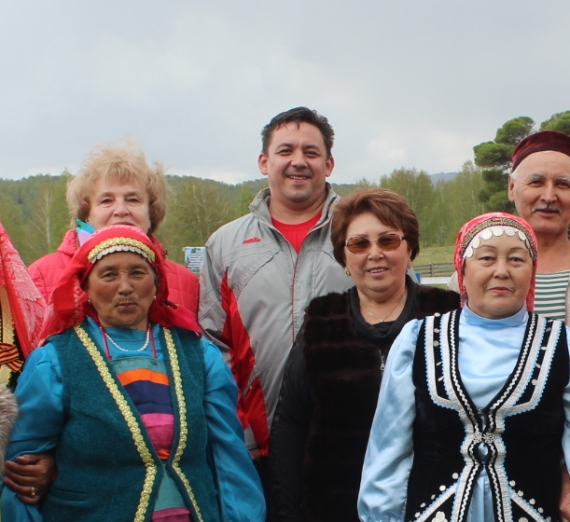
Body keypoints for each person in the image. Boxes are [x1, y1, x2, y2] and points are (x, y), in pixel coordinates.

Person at [1, 225, 265, 521]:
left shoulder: (200, 356)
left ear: (156, 282)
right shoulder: (53, 362)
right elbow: (20, 472)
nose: (124, 287)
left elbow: (228, 455)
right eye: (109, 274)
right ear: (85, 287)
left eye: (138, 273)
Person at [358, 212, 570, 522]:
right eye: (486, 258)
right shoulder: (418, 340)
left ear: (532, 270)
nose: (501, 271)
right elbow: (389, 447)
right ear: (463, 269)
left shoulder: (561, 343)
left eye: (516, 260)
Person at [269, 188, 460, 522]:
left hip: (434, 504)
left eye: (387, 241)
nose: (375, 254)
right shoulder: (321, 321)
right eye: (359, 244)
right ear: (344, 259)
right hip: (334, 506)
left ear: (410, 248)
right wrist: (286, 512)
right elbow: (291, 423)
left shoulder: (447, 316)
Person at [199, 108, 354, 493]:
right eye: (286, 151)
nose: (298, 162)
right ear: (264, 162)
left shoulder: (361, 233)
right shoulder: (226, 244)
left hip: (351, 442)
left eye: (311, 152)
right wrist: (239, 431)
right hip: (256, 448)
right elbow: (211, 347)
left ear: (329, 164)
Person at [28, 142, 199, 317]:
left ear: (151, 211)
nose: (121, 210)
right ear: (87, 213)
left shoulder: (187, 282)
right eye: (106, 201)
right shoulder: (39, 276)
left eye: (133, 199)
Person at [508, 130, 570, 321]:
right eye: (536, 182)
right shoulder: (474, 271)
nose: (549, 197)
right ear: (511, 188)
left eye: (563, 184)